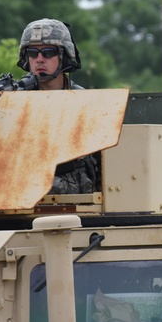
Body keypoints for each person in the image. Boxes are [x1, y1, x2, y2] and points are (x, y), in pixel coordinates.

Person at [16, 18, 99, 194]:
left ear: (64, 56)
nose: (39, 59)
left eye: (48, 52)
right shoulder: (13, 102)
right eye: (32, 52)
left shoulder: (84, 101)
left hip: (78, 197)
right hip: (25, 191)